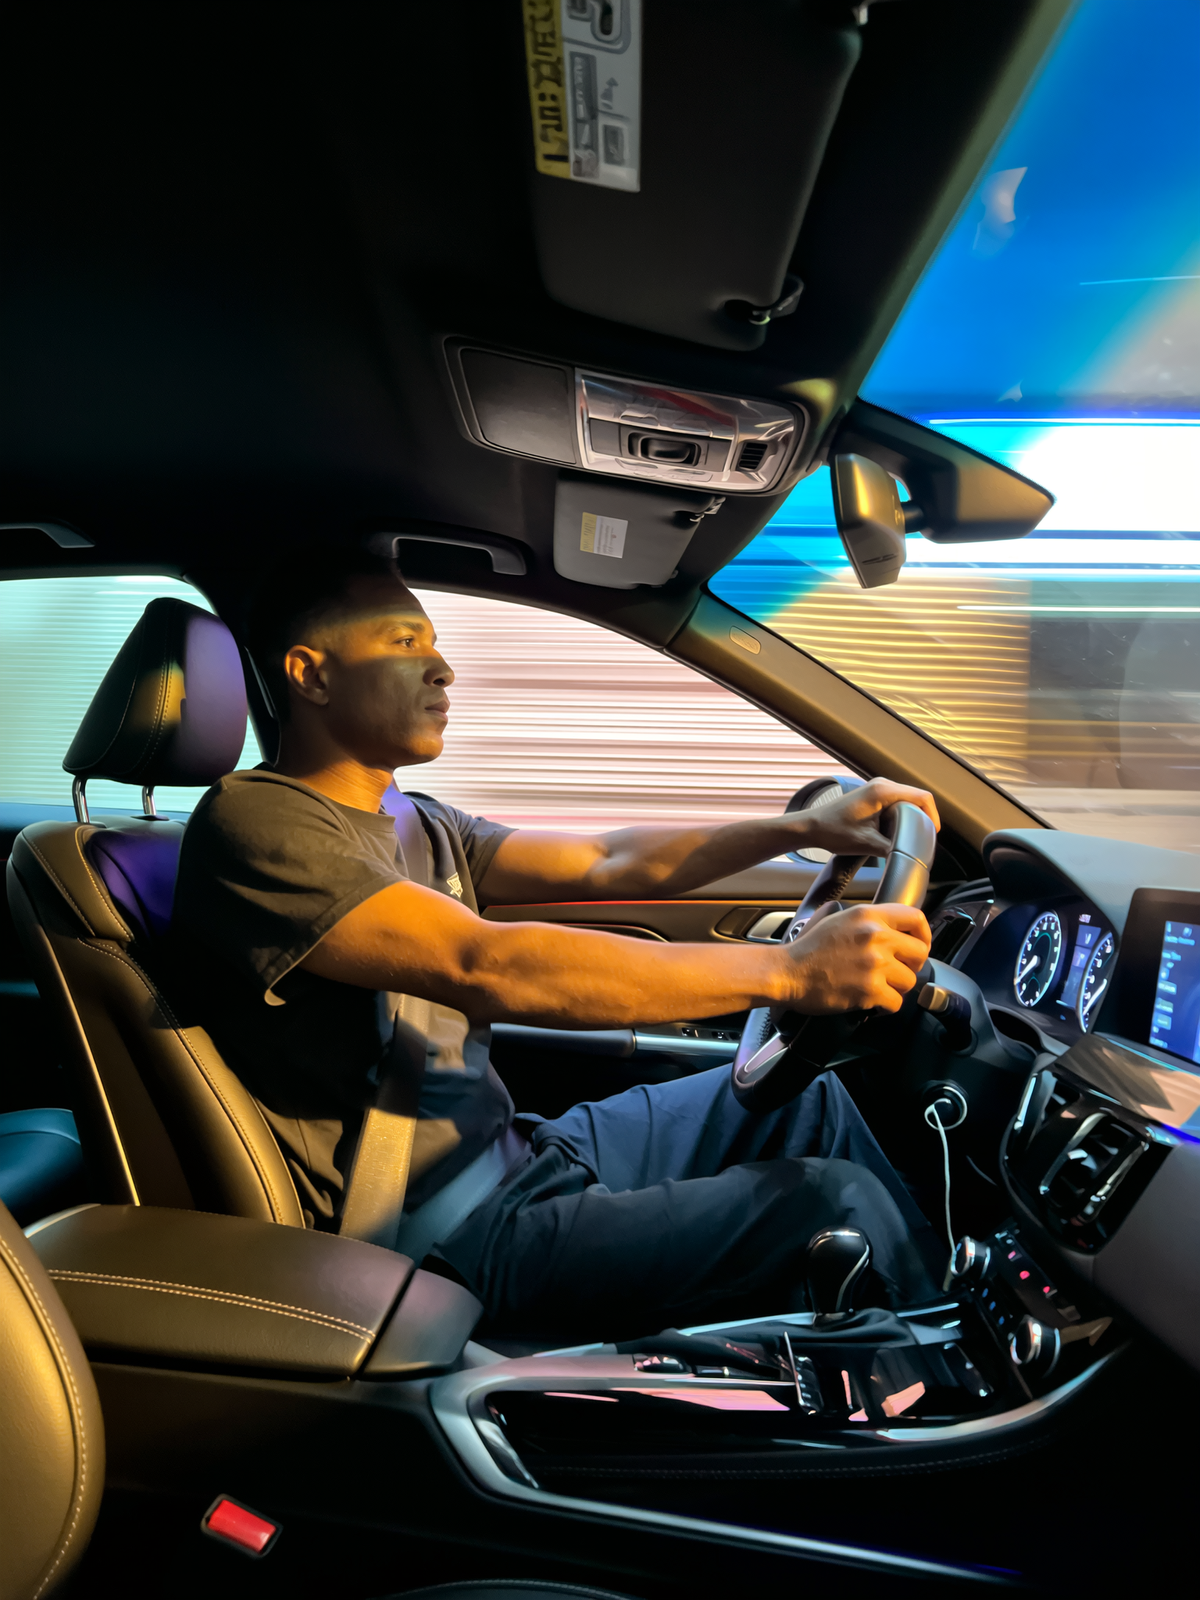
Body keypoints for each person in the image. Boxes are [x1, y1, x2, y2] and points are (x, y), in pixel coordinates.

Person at [171, 546, 944, 1339]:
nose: (443, 669)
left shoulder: (417, 820)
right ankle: (957, 1390)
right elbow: (485, 965)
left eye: (435, 643)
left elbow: (609, 860)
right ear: (311, 674)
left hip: (516, 1157)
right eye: (404, 642)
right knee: (837, 1203)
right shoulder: (259, 823)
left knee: (811, 1100)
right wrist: (790, 971)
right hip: (437, 1232)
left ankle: (933, 1320)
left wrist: (801, 828)